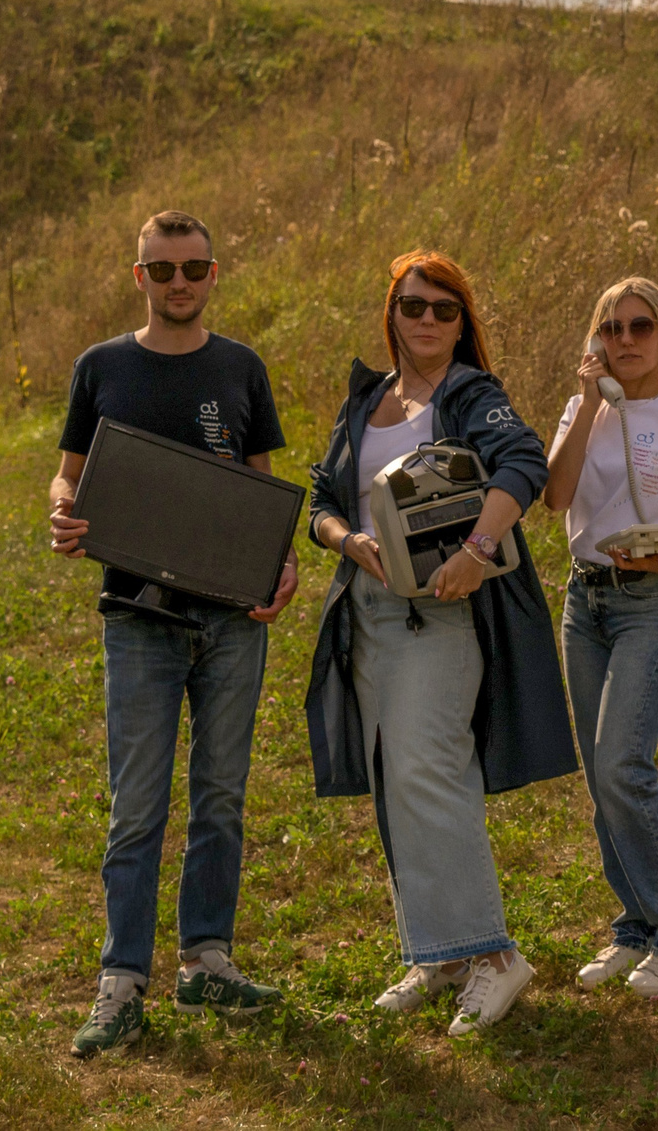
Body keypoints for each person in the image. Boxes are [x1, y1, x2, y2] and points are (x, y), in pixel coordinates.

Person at [302, 250, 576, 1034]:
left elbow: (522, 461)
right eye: (413, 306)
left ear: (463, 321)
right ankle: (440, 952)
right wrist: (347, 539)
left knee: (431, 768)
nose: (426, 320)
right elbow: (321, 496)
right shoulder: (366, 399)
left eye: (443, 308)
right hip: (365, 610)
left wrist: (478, 549)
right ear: (391, 312)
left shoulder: (469, 393)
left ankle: (494, 955)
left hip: (444, 611)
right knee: (395, 775)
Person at [49, 210, 300, 1057]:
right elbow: (70, 471)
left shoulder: (242, 367)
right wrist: (60, 506)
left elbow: (265, 489)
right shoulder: (101, 367)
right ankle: (121, 980)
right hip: (138, 619)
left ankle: (207, 961)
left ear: (214, 272)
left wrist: (283, 567)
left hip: (231, 620)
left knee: (220, 797)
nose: (180, 283)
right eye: (163, 270)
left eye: (194, 268)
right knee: (137, 807)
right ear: (140, 276)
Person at [542, 276, 658, 999]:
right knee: (600, 775)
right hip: (584, 599)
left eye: (639, 327)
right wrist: (589, 403)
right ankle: (635, 925)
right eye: (611, 328)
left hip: (652, 601)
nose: (625, 340)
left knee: (624, 762)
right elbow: (556, 496)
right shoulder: (579, 408)